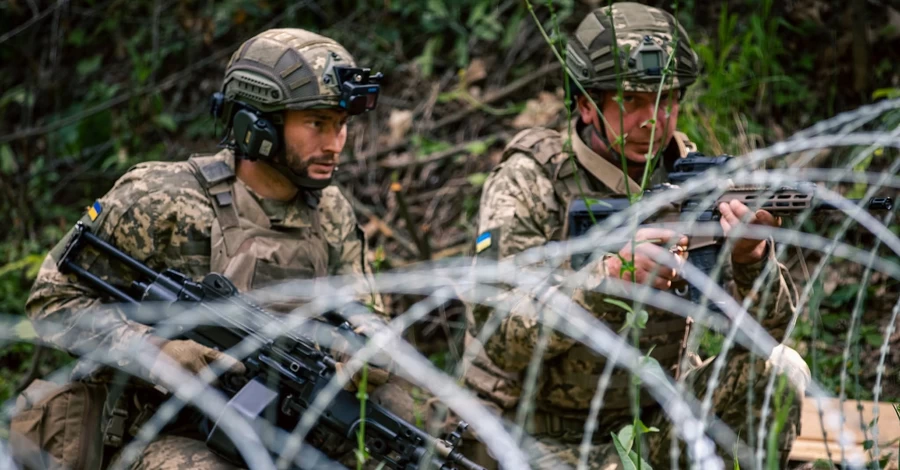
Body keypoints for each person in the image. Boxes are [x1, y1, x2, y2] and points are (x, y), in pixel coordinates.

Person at [20, 28, 388, 469]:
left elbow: (366, 312)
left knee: (402, 410)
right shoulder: (161, 198)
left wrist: (364, 348)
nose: (334, 144)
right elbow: (53, 302)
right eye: (317, 124)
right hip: (157, 429)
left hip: (278, 419)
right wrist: (153, 350)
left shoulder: (329, 211)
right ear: (256, 123)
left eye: (341, 125)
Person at [465, 3, 810, 468]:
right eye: (631, 101)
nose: (653, 119)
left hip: (658, 423)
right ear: (586, 104)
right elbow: (498, 337)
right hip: (542, 438)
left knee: (781, 368)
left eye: (666, 99)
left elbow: (766, 334)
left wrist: (751, 259)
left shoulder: (697, 178)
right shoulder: (530, 182)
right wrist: (605, 279)